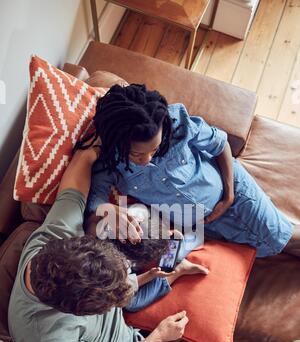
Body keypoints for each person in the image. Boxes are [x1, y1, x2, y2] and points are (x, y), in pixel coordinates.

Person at [8, 140, 300, 342]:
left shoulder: (59, 235)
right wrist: (157, 337)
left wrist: (92, 152)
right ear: (77, 311)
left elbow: (78, 176)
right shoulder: (41, 334)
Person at [83, 83, 300, 258]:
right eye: (137, 155)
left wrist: (229, 194)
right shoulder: (108, 162)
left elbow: (220, 144)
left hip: (232, 191)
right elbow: (93, 213)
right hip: (202, 224)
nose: (147, 159)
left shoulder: (176, 122)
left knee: (281, 237)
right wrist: (106, 211)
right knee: (266, 249)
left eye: (155, 149)